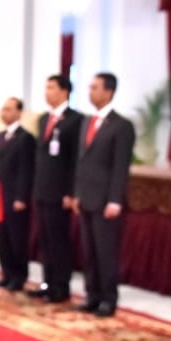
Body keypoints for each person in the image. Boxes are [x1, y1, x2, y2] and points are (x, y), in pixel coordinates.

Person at [71, 73, 135, 318]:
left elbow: (121, 166)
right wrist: (77, 193)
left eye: (95, 88)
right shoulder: (87, 122)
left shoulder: (121, 126)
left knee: (105, 252)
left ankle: (108, 299)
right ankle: (92, 295)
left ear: (108, 92)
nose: (90, 92)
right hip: (86, 197)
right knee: (89, 252)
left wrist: (115, 200)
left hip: (106, 201)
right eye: (90, 87)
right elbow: (81, 162)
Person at [28, 74, 83, 303]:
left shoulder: (75, 120)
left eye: (51, 87)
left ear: (64, 91)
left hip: (60, 193)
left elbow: (74, 161)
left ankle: (61, 286)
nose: (46, 92)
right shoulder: (44, 120)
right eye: (46, 87)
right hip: (42, 190)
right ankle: (48, 282)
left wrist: (71, 192)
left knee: (59, 241)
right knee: (46, 241)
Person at [0, 96, 35, 292]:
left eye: (9, 109)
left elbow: (27, 170)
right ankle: (6, 273)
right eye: (3, 109)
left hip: (15, 197)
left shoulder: (25, 138)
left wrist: (21, 197)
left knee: (17, 238)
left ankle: (19, 276)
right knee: (1, 238)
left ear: (18, 112)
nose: (5, 113)